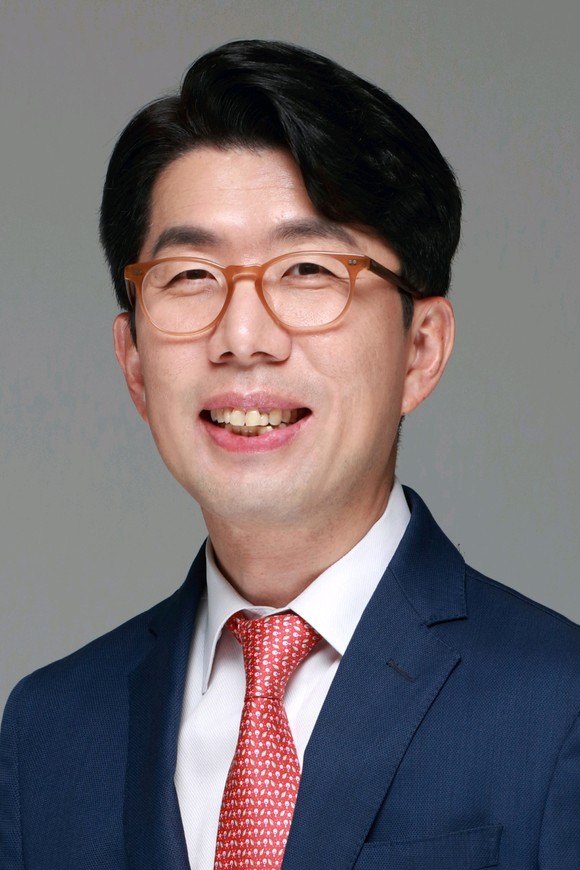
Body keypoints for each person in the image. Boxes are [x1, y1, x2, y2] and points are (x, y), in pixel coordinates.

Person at [1, 39, 578, 870]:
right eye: (190, 275)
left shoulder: (557, 708)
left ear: (420, 349)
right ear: (134, 363)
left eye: (307, 269)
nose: (243, 337)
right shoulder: (49, 734)